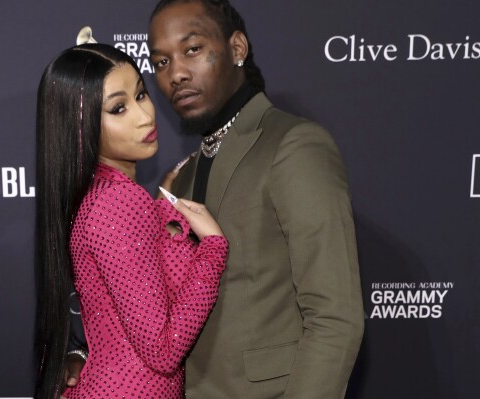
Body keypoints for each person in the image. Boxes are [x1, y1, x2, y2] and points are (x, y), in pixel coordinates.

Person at [64, 0, 365, 397]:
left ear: (236, 49)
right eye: (161, 62)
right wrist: (83, 353)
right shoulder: (180, 178)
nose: (177, 75)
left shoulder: (292, 146)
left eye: (192, 50)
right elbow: (144, 309)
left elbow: (335, 317)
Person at [34, 43, 229, 399]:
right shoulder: (118, 201)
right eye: (118, 108)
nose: (144, 115)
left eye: (141, 94)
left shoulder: (104, 195)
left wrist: (162, 214)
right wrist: (213, 251)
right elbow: (163, 350)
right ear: (80, 125)